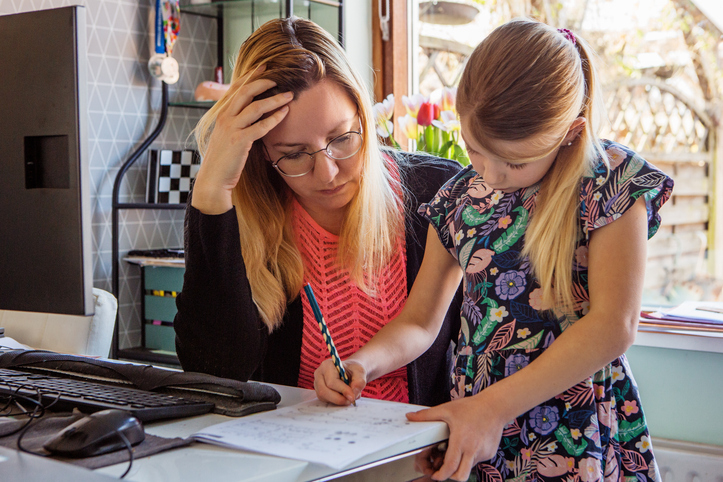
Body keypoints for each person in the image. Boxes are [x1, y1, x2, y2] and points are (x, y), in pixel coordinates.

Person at [314, 18, 674, 481]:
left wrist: (490, 408)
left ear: (569, 131)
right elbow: (421, 320)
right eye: (474, 149)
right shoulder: (460, 196)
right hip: (479, 429)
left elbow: (613, 328)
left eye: (515, 161)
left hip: (575, 433)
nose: (492, 174)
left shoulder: (610, 182)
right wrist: (364, 361)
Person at [172, 16, 463, 407]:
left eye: (342, 138)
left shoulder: (438, 190)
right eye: (293, 154)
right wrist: (211, 189)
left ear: (363, 114)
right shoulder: (234, 214)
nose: (327, 172)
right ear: (261, 152)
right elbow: (215, 371)